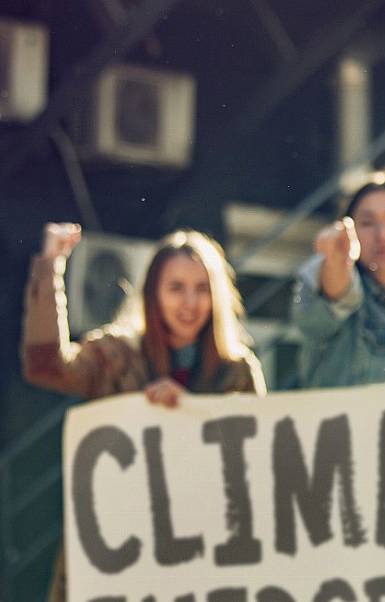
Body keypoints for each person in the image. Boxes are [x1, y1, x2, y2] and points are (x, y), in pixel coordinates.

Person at [21, 223, 266, 602]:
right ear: (153, 294)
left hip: (202, 565)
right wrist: (50, 267)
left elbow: (258, 463)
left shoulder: (238, 371)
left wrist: (187, 411)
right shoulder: (116, 356)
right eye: (176, 288)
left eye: (202, 289)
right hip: (120, 561)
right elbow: (45, 366)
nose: (190, 303)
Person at [293, 168, 385, 387]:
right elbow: (337, 296)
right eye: (367, 223)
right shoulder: (346, 288)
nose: (382, 235)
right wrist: (336, 260)